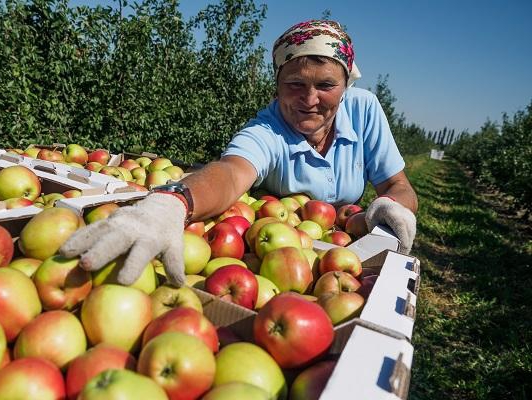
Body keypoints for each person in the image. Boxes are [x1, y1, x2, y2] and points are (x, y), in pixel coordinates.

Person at [60, 20, 418, 287]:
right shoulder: (267, 130)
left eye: (326, 85)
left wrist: (391, 207)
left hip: (346, 254)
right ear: (277, 85)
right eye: (295, 85)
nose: (310, 100)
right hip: (270, 256)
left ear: (345, 86)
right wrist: (175, 201)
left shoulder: (364, 110)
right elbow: (231, 172)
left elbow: (396, 182)